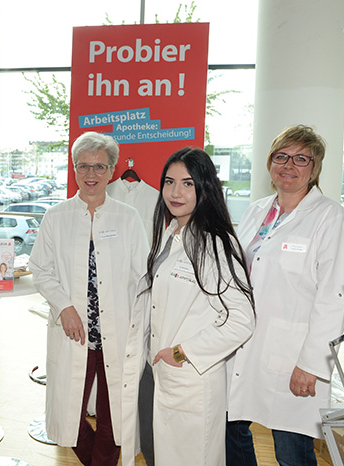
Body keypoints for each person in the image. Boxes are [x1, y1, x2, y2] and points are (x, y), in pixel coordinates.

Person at [226, 124, 344, 466]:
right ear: (270, 162)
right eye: (281, 156)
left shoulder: (331, 218)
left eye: (301, 159)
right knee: (231, 433)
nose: (289, 165)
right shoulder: (256, 211)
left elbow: (335, 297)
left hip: (293, 355)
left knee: (291, 452)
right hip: (243, 344)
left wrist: (312, 365)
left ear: (314, 168)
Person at [120, 147, 255, 466]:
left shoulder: (215, 244)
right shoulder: (170, 233)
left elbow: (241, 320)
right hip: (156, 372)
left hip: (188, 377)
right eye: (169, 182)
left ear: (204, 189)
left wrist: (182, 353)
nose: (175, 192)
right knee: (156, 455)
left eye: (187, 183)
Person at [29, 131, 148, 466]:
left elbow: (144, 275)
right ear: (74, 169)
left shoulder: (128, 217)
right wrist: (64, 306)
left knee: (115, 415)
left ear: (112, 171)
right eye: (83, 166)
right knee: (68, 413)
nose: (91, 174)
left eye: (99, 167)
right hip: (75, 331)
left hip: (117, 333)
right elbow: (41, 269)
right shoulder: (56, 216)